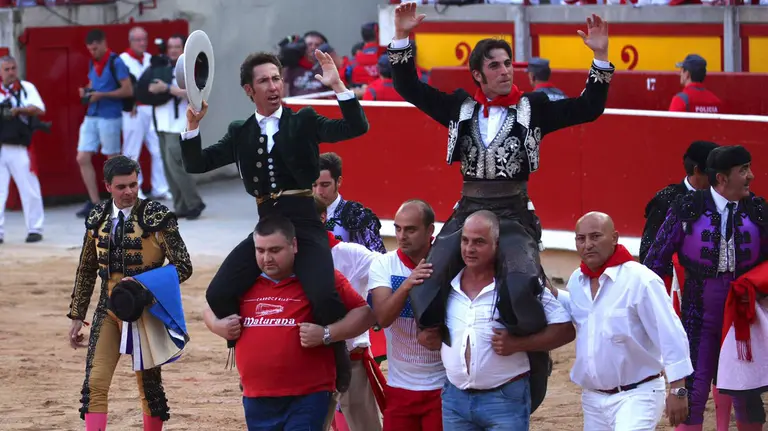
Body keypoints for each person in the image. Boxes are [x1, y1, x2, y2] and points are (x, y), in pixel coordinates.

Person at [387, 2, 614, 412]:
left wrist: (599, 56)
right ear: (478, 73)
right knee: (430, 274)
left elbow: (589, 108)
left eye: (508, 63)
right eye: (495, 65)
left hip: (512, 214)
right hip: (469, 209)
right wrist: (402, 36)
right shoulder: (460, 108)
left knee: (521, 280)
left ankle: (527, 349)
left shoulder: (535, 108)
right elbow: (409, 88)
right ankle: (440, 342)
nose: (505, 70)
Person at [180, 50, 369, 392]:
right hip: (266, 226)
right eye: (264, 80)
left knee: (324, 297)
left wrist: (338, 84)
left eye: (276, 78)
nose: (273, 86)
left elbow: (356, 126)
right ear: (248, 90)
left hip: (304, 223)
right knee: (219, 292)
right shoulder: (240, 132)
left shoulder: (305, 120)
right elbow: (197, 164)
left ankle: (335, 349)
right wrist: (192, 127)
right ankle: (254, 347)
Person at [202, 215, 375, 431]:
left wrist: (327, 334)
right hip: (256, 395)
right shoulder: (244, 280)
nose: (267, 258)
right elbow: (210, 306)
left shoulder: (318, 279)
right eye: (260, 251)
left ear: (293, 245)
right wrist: (218, 326)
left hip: (308, 396)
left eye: (275, 250)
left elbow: (365, 313)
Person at [644, 145, 766, 431]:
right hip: (698, 313)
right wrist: (661, 311)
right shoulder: (688, 208)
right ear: (722, 179)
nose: (751, 175)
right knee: (694, 392)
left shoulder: (758, 210)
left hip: (744, 315)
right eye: (743, 170)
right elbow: (654, 260)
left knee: (748, 397)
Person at [67, 155, 192, 431]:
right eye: (122, 187)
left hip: (145, 312)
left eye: (134, 185)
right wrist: (77, 315)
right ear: (107, 186)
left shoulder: (156, 217)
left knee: (150, 389)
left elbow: (183, 266)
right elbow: (86, 268)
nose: (129, 192)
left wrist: (146, 288)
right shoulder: (97, 217)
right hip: (107, 310)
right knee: (94, 385)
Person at [424, 210, 574, 430]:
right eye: (465, 241)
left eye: (479, 242)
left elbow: (565, 330)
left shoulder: (519, 283)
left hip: (504, 398)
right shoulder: (447, 285)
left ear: (496, 244)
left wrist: (518, 344)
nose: (469, 249)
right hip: (455, 398)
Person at [555, 212, 692, 430]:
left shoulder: (640, 280)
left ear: (615, 238)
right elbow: (580, 311)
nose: (588, 245)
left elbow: (670, 333)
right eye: (581, 239)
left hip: (638, 394)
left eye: (595, 236)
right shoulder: (577, 281)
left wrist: (678, 389)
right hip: (593, 399)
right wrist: (550, 291)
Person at [367, 199, 446, 431]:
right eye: (398, 228)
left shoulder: (448, 263)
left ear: (430, 230)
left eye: (410, 229)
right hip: (399, 386)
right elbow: (382, 318)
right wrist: (407, 285)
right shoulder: (384, 264)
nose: (402, 236)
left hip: (443, 385)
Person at [315, 196, 383, 431]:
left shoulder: (352, 254)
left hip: (351, 358)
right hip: (308, 364)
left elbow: (390, 268)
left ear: (323, 218)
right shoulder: (286, 259)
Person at [75, 29, 133, 218]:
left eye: (95, 48)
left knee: (112, 160)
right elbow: (92, 83)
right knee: (82, 157)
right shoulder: (95, 62)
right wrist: (86, 91)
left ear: (103, 43)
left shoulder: (116, 62)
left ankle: (116, 203)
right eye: (90, 49)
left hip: (110, 115)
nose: (93, 52)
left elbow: (127, 90)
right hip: (93, 113)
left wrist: (102, 95)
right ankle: (94, 202)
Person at [148, 34, 206, 219]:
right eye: (171, 46)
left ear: (184, 49)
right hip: (162, 123)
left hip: (179, 123)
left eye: (177, 47)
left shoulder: (189, 69)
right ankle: (181, 205)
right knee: (167, 167)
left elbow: (195, 93)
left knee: (177, 167)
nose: (173, 50)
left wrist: (167, 88)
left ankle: (194, 202)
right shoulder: (162, 66)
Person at [639, 140, 719, 263]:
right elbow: (648, 253)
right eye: (715, 173)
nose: (721, 179)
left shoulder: (726, 197)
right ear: (697, 171)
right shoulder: (666, 200)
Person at [119, 26, 170, 200]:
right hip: (133, 110)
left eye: (144, 39)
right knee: (132, 152)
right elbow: (122, 86)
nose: (142, 43)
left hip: (151, 108)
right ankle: (134, 189)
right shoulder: (123, 60)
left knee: (158, 149)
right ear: (131, 41)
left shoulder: (150, 59)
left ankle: (160, 187)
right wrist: (130, 101)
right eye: (138, 40)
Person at [0, 55, 45, 244]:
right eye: (7, 69)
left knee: (30, 189)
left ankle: (35, 228)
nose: (11, 72)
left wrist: (19, 110)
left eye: (13, 68)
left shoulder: (26, 88)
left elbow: (40, 109)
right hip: (1, 146)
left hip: (20, 146)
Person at [314, 152, 386, 253]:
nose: (318, 192)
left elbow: (377, 260)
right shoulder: (302, 213)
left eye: (325, 185)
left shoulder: (357, 216)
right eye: (314, 185)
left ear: (338, 182)